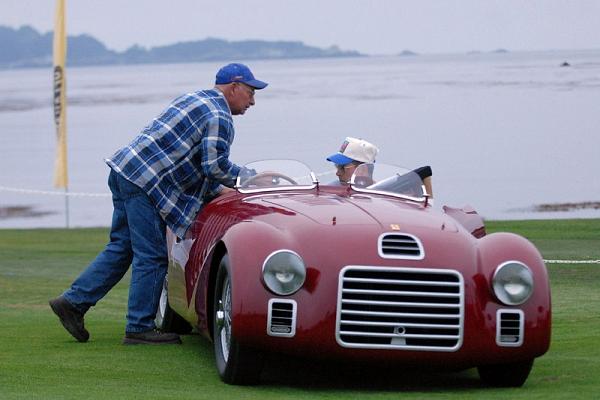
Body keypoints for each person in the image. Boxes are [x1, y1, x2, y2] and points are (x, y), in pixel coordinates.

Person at [49, 63, 268, 345]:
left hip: (124, 171)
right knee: (152, 255)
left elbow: (188, 160)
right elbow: (214, 165)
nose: (252, 101)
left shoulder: (194, 98)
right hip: (145, 182)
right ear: (234, 87)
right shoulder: (220, 114)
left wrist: (216, 188)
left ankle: (73, 303)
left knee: (122, 246)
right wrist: (250, 179)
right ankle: (139, 327)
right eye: (250, 92)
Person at [326, 137, 433, 197]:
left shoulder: (386, 195)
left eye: (342, 168)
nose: (337, 173)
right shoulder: (331, 188)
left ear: (363, 169)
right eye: (337, 167)